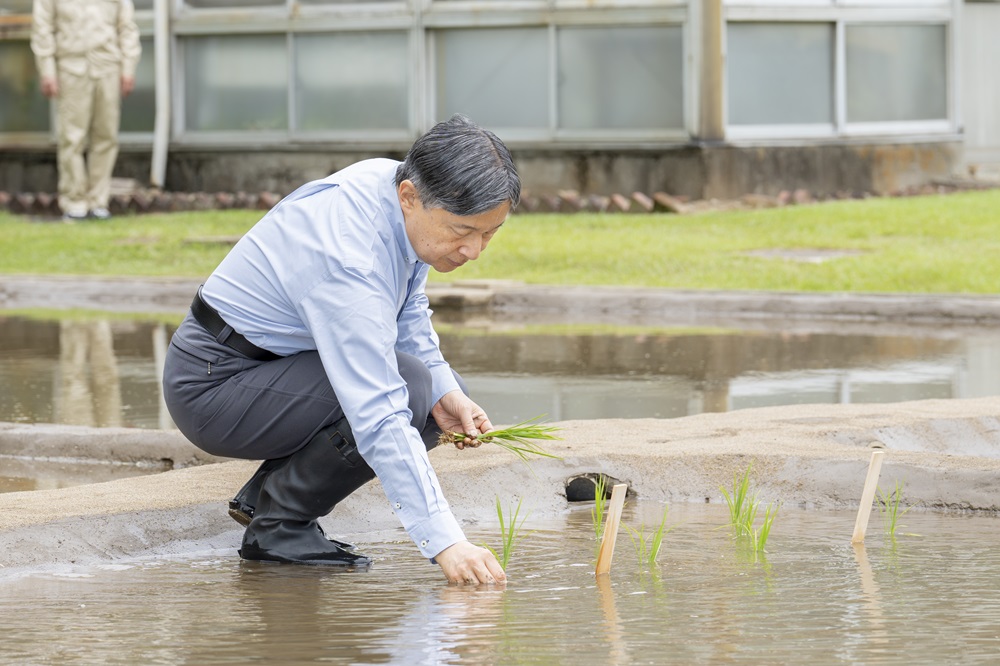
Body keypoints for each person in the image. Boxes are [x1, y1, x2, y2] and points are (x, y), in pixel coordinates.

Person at [162, 115, 518, 586]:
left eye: (489, 234)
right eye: (462, 231)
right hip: (214, 384)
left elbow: (406, 306)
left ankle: (269, 497)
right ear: (410, 196)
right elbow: (377, 409)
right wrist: (447, 543)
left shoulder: (398, 193)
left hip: (276, 369)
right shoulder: (348, 256)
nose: (473, 250)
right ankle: (278, 528)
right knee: (408, 389)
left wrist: (447, 391)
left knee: (434, 396)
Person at [30, 0, 141, 221]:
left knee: (106, 137)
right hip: (70, 68)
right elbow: (42, 28)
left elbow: (127, 27)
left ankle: (98, 202)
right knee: (72, 137)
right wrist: (47, 70)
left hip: (109, 65)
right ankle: (74, 203)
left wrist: (128, 68)